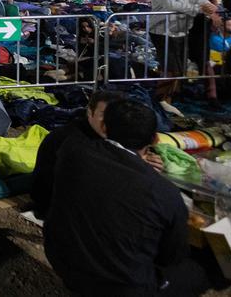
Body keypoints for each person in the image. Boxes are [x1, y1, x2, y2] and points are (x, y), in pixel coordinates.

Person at [44, 99, 207, 295]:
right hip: (123, 287)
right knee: (206, 269)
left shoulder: (72, 151)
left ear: (104, 127)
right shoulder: (164, 192)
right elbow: (171, 256)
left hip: (63, 261)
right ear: (155, 139)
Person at [31, 90, 138, 218]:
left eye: (115, 116)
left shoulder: (111, 135)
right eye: (103, 114)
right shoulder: (71, 140)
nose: (108, 122)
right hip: (58, 204)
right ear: (89, 112)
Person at [149, 0, 221, 105]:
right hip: (162, 30)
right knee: (170, 69)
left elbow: (201, 0)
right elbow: (169, 3)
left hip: (182, 30)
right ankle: (160, 100)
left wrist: (213, 12)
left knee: (179, 69)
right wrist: (199, 10)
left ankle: (171, 98)